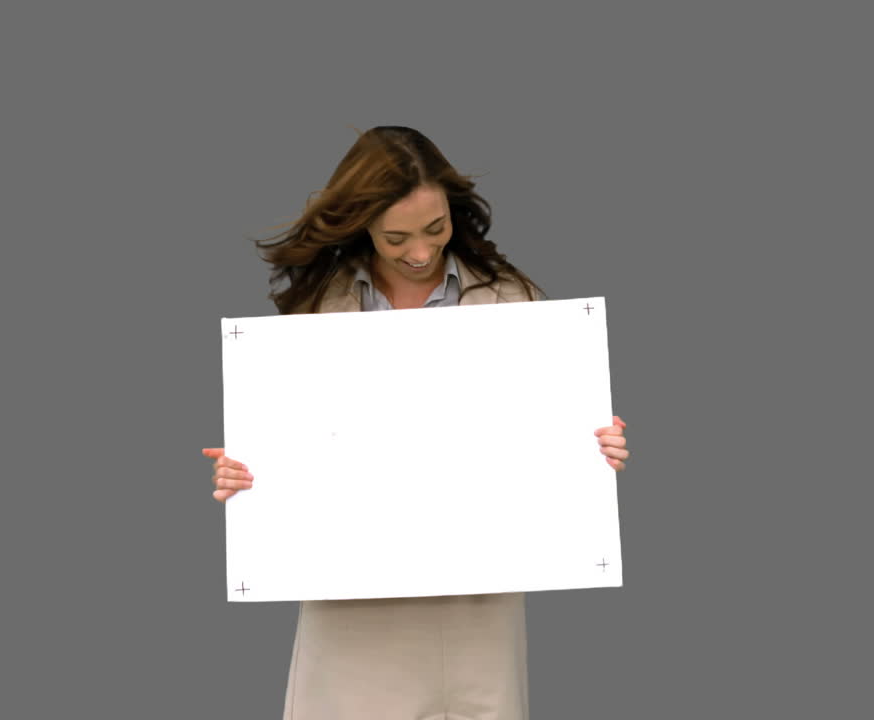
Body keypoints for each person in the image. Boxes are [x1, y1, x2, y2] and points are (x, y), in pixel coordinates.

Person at [201, 126, 631, 720]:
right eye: (396, 236)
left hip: (475, 597)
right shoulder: (315, 310)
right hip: (351, 593)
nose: (422, 252)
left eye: (436, 229)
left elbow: (539, 443)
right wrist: (248, 473)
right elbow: (302, 449)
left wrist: (591, 450)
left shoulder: (514, 304)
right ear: (361, 225)